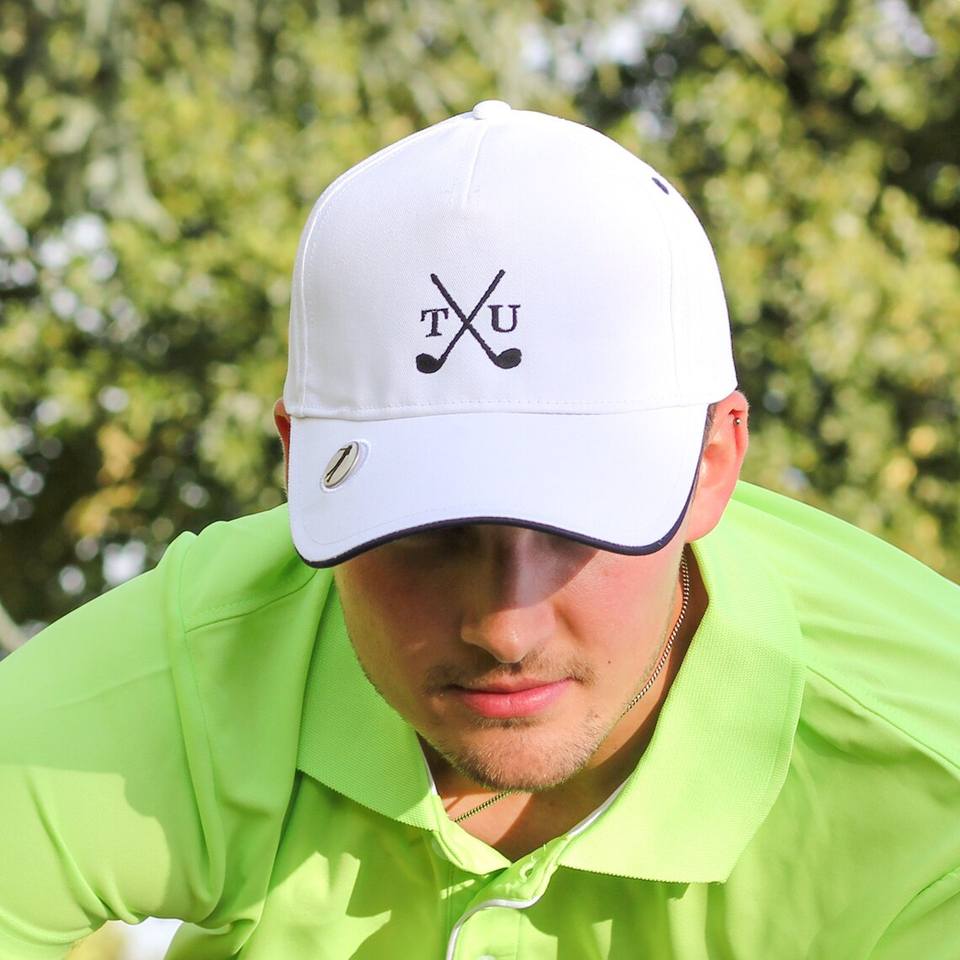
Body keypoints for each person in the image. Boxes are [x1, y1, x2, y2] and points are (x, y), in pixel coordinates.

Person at [0, 101, 958, 960]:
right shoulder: (193, 674)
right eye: (427, 529)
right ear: (297, 464)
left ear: (713, 462)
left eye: (575, 526)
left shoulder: (933, 786)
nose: (503, 627)